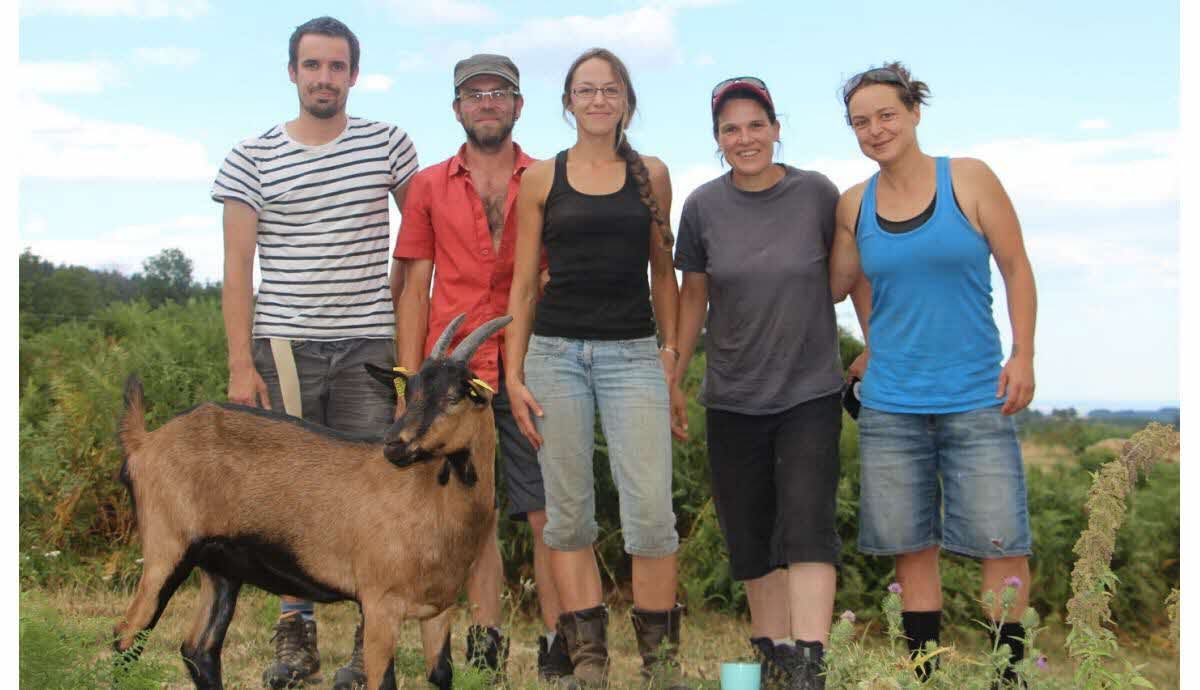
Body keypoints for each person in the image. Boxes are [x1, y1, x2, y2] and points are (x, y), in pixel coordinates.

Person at [210, 16, 418, 690]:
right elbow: (236, 268)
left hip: (369, 345)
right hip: (284, 343)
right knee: (290, 495)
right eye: (312, 65)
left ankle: (369, 640)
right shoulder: (251, 158)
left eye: (336, 66)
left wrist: (402, 326)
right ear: (292, 72)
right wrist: (240, 364)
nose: (324, 78)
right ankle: (295, 633)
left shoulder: (389, 145)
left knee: (374, 493)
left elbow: (423, 238)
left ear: (353, 74)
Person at [829, 62, 1037, 684]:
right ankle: (927, 679)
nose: (875, 130)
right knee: (911, 550)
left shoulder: (969, 179)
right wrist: (874, 340)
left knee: (1001, 545)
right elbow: (840, 282)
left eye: (886, 115)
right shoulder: (853, 203)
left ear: (915, 112)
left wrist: (1023, 354)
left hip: (977, 395)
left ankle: (1008, 679)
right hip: (890, 404)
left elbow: (1016, 268)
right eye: (860, 122)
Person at [503, 47, 689, 689]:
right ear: (568, 102)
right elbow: (522, 284)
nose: (598, 100)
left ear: (627, 100)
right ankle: (589, 658)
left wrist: (670, 355)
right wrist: (513, 374)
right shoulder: (540, 179)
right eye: (586, 90)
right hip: (554, 356)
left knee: (651, 515)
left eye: (610, 89)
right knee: (568, 514)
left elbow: (663, 272)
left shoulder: (652, 174)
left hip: (633, 355)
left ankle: (660, 664)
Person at [390, 53, 570, 681]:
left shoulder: (548, 179)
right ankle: (486, 644)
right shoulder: (427, 186)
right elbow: (413, 289)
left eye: (499, 93)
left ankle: (558, 643)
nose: (487, 103)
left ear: (518, 105)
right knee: (473, 515)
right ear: (457, 108)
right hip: (453, 378)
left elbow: (554, 274)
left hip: (532, 365)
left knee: (547, 511)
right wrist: (409, 385)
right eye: (474, 94)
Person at [673, 76, 844, 690]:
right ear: (717, 138)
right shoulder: (701, 206)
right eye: (730, 129)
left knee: (806, 526)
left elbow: (852, 272)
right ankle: (772, 659)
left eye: (754, 125)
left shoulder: (817, 194)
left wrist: (875, 346)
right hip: (733, 395)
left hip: (810, 390)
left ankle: (811, 663)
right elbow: (693, 297)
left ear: (776, 129)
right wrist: (673, 374)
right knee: (748, 534)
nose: (744, 138)